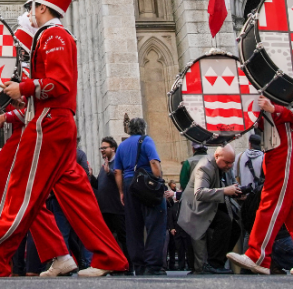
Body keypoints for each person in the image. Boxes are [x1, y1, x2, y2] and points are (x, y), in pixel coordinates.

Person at [0, 0, 128, 278]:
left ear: (43, 7)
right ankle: (105, 257)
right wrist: (23, 96)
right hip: (55, 122)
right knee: (77, 198)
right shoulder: (53, 37)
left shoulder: (54, 37)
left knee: (21, 194)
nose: (30, 12)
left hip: (49, 124)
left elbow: (59, 84)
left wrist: (25, 89)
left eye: (33, 6)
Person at [0, 14, 73, 279]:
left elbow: (35, 105)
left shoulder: (36, 65)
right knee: (24, 196)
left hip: (34, 134)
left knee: (15, 191)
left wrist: (7, 116)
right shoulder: (28, 68)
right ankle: (60, 254)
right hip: (29, 134)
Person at [227, 96, 293, 275]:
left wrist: (274, 108)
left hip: (284, 147)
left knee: (271, 199)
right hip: (273, 149)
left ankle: (258, 256)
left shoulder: (286, 80)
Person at [112, 117, 166, 276]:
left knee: (133, 227)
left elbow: (117, 172)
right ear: (143, 128)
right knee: (155, 224)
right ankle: (153, 265)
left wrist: (121, 191)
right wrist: (159, 183)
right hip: (146, 185)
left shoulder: (121, 146)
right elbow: (154, 163)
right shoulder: (146, 140)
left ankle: (139, 265)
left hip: (129, 185)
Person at [177, 144, 239, 274]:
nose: (229, 166)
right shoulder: (205, 167)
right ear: (216, 156)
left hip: (208, 207)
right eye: (227, 162)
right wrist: (225, 191)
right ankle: (212, 265)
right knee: (221, 225)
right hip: (195, 210)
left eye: (231, 163)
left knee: (233, 226)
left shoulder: (222, 167)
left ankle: (216, 263)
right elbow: (199, 193)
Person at [94, 137, 127, 263]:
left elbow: (121, 180)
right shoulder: (104, 166)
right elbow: (98, 185)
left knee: (122, 236)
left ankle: (128, 264)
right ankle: (114, 263)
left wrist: (110, 173)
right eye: (101, 148)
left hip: (116, 208)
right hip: (105, 209)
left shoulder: (118, 163)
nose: (102, 150)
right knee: (109, 238)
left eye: (104, 148)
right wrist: (90, 176)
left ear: (113, 148)